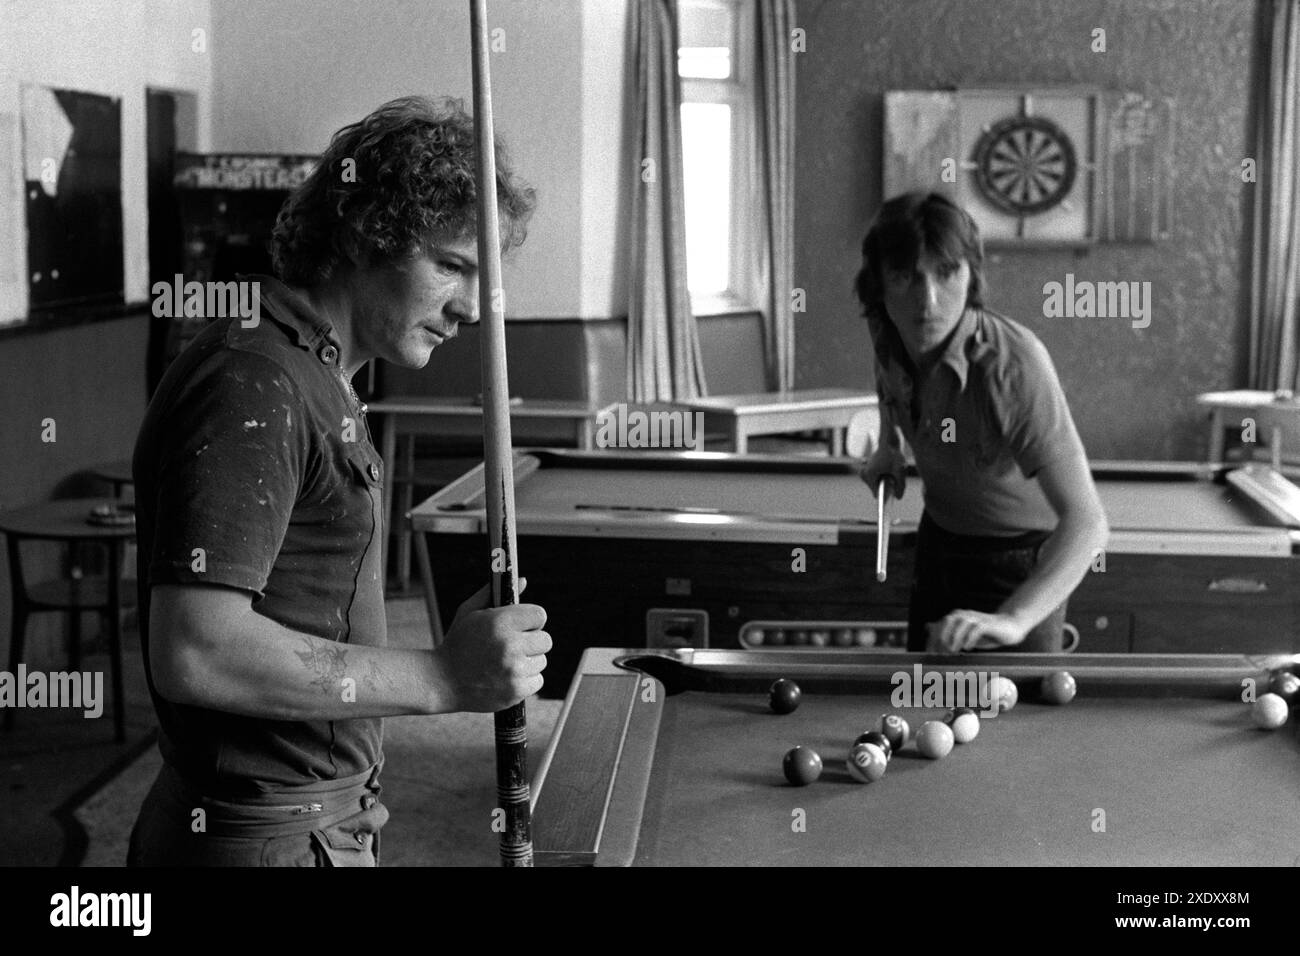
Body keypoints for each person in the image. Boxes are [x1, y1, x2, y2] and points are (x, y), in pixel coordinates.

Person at [127, 96, 549, 866]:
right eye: (450, 265)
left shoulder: (315, 373)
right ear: (367, 235)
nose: (468, 309)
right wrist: (439, 677)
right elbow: (196, 649)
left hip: (314, 825)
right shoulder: (255, 381)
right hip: (263, 842)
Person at [855, 192, 1108, 653]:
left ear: (971, 275)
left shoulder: (1014, 365)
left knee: (1019, 722)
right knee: (923, 706)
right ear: (879, 285)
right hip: (939, 547)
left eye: (946, 273)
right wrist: (889, 446)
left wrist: (1014, 620)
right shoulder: (886, 328)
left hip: (1022, 567)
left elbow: (1088, 523)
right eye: (905, 276)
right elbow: (891, 385)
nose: (927, 301)